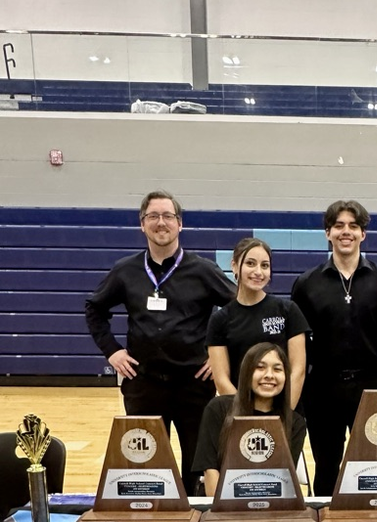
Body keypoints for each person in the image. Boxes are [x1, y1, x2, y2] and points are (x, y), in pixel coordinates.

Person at [84, 190, 235, 493]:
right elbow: (94, 309)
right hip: (144, 385)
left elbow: (240, 311)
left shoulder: (203, 270)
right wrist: (112, 351)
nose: (161, 222)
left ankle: (196, 516)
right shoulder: (125, 271)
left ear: (180, 223)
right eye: (153, 216)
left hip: (194, 385)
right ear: (142, 224)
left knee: (198, 465)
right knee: (146, 467)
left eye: (168, 216)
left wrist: (220, 357)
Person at [291, 199, 377, 496]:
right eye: (339, 225)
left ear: (363, 234)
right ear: (327, 233)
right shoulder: (306, 284)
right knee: (326, 468)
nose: (346, 232)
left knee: (373, 468)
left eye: (353, 226)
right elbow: (298, 345)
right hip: (322, 389)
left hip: (370, 387)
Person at [192, 342, 307, 496]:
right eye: (260, 367)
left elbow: (284, 481)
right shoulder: (218, 408)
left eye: (277, 369)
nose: (269, 375)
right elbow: (210, 470)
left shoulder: (295, 422)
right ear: (246, 373)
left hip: (270, 501)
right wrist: (222, 509)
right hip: (219, 502)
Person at [206, 237, 308, 409]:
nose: (258, 272)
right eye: (250, 263)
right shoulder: (220, 319)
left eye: (265, 265)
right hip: (240, 413)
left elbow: (298, 370)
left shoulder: (288, 311)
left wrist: (284, 414)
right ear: (234, 266)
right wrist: (245, 416)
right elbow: (222, 380)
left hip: (284, 411)